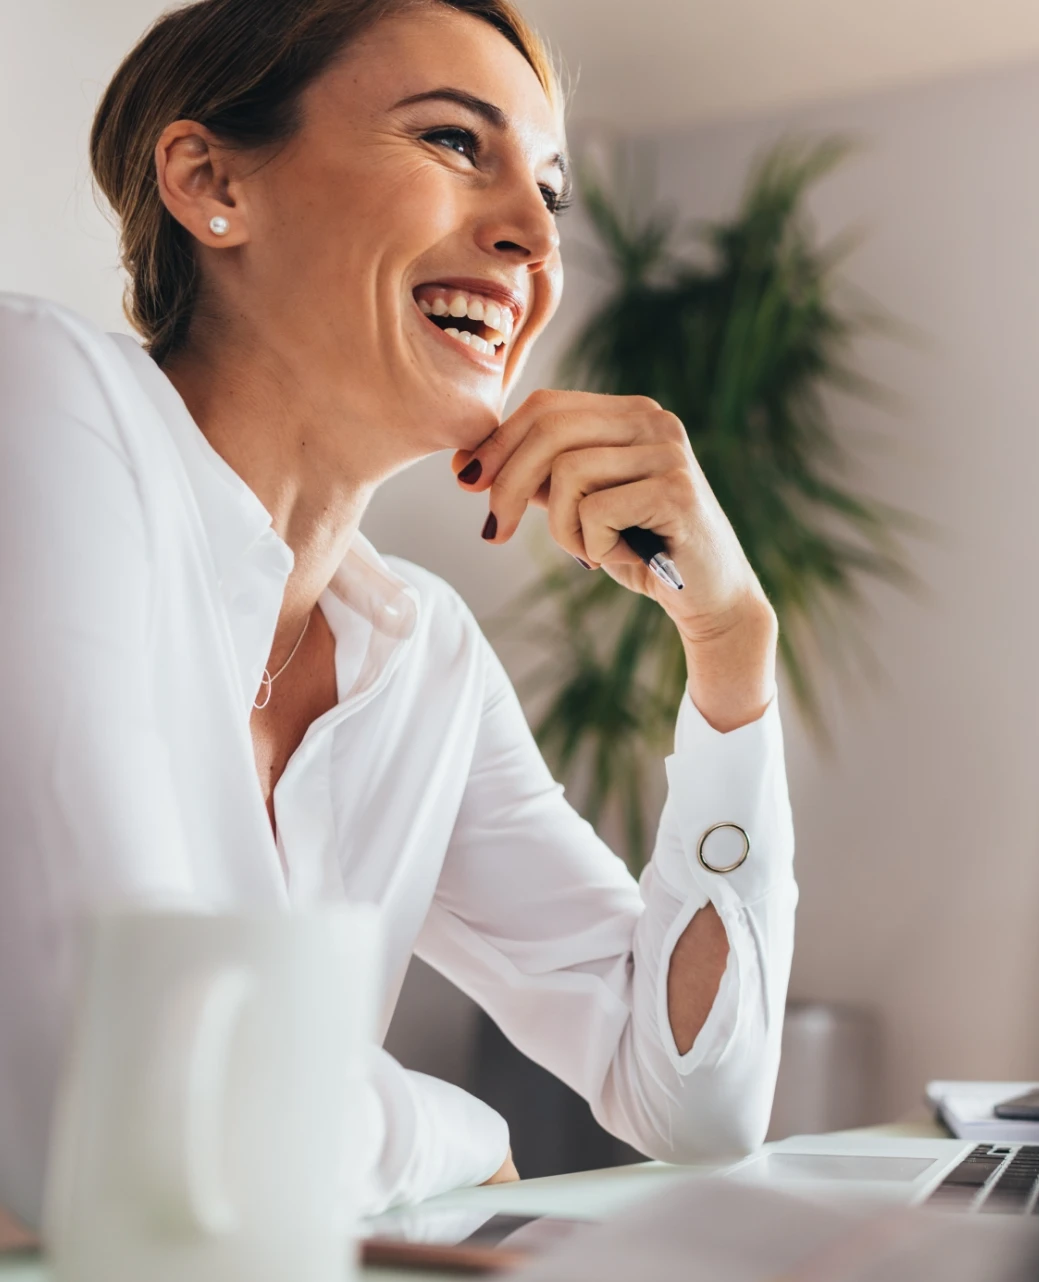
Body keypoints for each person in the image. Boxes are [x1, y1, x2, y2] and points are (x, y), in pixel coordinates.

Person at [0, 0, 796, 1229]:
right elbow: (111, 1109)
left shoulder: (419, 656)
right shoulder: (39, 398)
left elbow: (694, 1099)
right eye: (451, 142)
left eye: (551, 192)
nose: (533, 234)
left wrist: (733, 649)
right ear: (211, 183)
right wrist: (465, 1132)